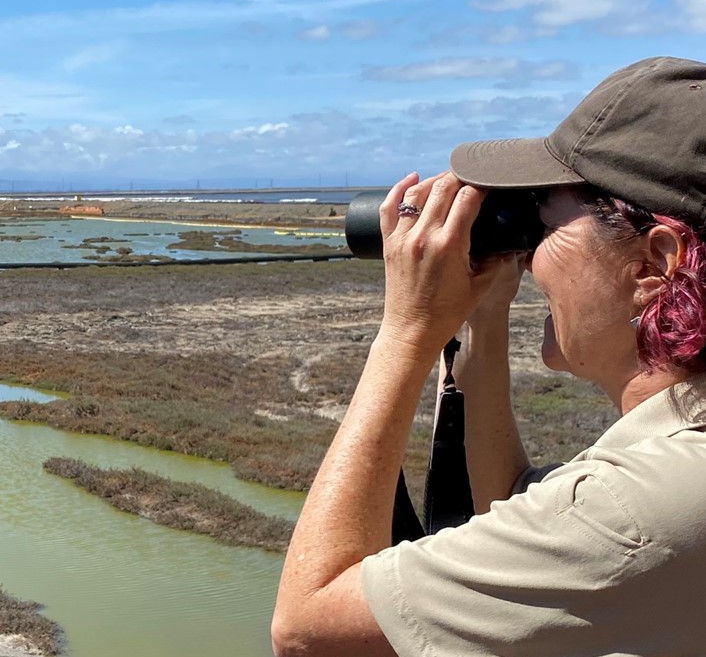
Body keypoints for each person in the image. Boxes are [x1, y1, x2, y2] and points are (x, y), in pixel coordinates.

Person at [271, 56, 706, 657]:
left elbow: (306, 630)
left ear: (655, 264)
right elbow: (518, 509)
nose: (527, 256)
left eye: (541, 222)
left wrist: (407, 332)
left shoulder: (642, 510)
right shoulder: (670, 472)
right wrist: (485, 316)